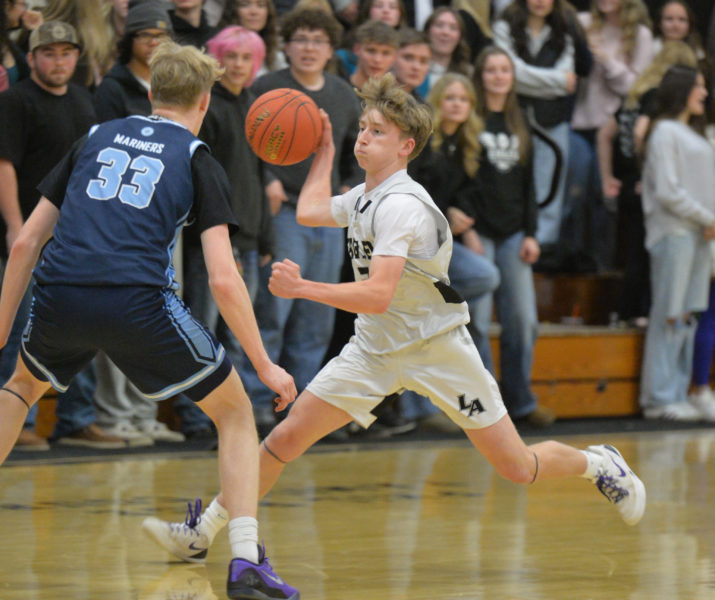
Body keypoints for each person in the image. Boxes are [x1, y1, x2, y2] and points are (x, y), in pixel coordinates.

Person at [141, 74, 646, 577]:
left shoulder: (402, 205)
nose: (363, 137)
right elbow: (312, 210)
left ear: (406, 146)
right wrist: (322, 152)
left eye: (377, 131)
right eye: (363, 127)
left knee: (519, 468)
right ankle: (202, 532)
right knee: (282, 441)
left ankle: (599, 463)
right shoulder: (366, 195)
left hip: (437, 348)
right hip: (374, 349)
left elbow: (378, 295)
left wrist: (304, 287)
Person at [0, 39, 299, 599]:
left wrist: (1, 330)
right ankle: (244, 562)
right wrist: (264, 364)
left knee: (20, 387)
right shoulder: (196, 156)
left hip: (61, 292)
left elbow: (25, 244)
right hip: (137, 301)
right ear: (205, 100)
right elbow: (223, 278)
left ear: (151, 92)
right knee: (236, 414)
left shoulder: (95, 136)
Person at [0, 19, 124, 451]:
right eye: (49, 53)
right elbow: (4, 165)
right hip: (29, 236)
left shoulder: (84, 101)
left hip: (76, 240)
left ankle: (76, 420)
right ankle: (18, 422)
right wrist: (16, 227)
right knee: (21, 329)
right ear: (31, 58)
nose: (58, 61)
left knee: (81, 330)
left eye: (66, 53)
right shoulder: (15, 101)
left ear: (77, 57)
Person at [240, 8, 362, 432]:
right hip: (285, 213)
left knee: (317, 318)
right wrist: (267, 178)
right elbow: (243, 149)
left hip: (327, 216)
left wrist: (350, 185)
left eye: (318, 40)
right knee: (274, 310)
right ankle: (259, 401)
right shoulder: (266, 89)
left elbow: (356, 153)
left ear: (331, 50)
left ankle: (302, 408)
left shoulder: (344, 94)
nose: (309, 48)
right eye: (301, 39)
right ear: (286, 46)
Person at [182, 25, 273, 433]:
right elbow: (201, 178)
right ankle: (194, 415)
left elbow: (259, 175)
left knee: (238, 333)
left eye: (246, 57)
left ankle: (234, 414)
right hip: (214, 238)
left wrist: (266, 234)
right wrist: (220, 237)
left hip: (250, 235)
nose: (238, 64)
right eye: (230, 56)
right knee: (202, 330)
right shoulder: (209, 107)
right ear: (217, 59)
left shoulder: (256, 106)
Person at [461, 46, 554, 427]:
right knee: (477, 323)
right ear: (480, 75)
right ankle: (486, 406)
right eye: (491, 70)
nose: (498, 76)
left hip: (515, 233)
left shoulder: (520, 120)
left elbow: (529, 184)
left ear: (512, 78)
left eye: (505, 70)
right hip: (478, 233)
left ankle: (521, 401)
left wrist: (532, 233)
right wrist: (467, 230)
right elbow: (461, 179)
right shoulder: (470, 117)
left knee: (523, 320)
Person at [596, 40, 697, 326]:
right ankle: (635, 312)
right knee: (644, 252)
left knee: (633, 250)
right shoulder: (657, 96)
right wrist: (647, 173)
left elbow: (604, 134)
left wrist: (607, 177)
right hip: (642, 184)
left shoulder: (635, 93)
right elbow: (640, 133)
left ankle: (628, 312)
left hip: (627, 183)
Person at [639, 64, 715, 421]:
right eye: (698, 86)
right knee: (669, 313)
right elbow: (668, 191)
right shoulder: (664, 132)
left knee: (688, 315)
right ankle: (658, 397)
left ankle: (678, 391)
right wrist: (707, 218)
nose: (704, 92)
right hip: (674, 233)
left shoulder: (693, 133)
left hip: (699, 234)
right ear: (682, 89)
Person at [493, 0, 592, 247]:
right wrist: (556, 82)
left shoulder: (565, 28)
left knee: (551, 187)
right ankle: (512, 243)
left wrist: (529, 80)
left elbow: (567, 79)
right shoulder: (505, 25)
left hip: (553, 119)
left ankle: (542, 247)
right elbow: (510, 74)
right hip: (513, 118)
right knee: (510, 181)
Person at [93, 0, 172, 122]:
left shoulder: (175, 84)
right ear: (130, 40)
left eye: (161, 36)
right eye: (145, 35)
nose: (154, 42)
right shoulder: (111, 89)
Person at [218, 0, 286, 77]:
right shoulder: (218, 48)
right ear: (232, 10)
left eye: (261, 5)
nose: (254, 12)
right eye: (244, 5)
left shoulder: (275, 52)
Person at [335, 18, 399, 88]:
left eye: (386, 53)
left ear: (394, 57)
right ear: (357, 49)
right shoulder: (336, 90)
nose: (377, 59)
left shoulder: (398, 94)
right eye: (371, 51)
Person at [423, 7, 472, 93]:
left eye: (453, 28)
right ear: (428, 31)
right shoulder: (412, 70)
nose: (445, 32)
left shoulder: (469, 74)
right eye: (439, 25)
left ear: (460, 37)